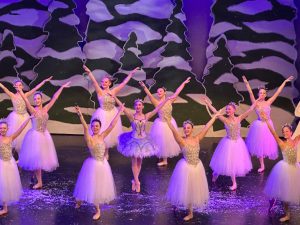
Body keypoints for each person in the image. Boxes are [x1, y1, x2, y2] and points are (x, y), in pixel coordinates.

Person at [165, 111, 221, 221]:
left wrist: (214, 117)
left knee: (193, 190)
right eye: (185, 128)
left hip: (197, 167)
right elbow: (173, 131)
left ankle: (190, 212)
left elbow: (206, 127)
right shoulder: (181, 141)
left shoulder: (197, 138)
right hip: (186, 168)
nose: (186, 130)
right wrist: (168, 121)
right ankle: (186, 210)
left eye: (188, 128)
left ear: (192, 129)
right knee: (186, 190)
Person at [73, 104, 124, 220]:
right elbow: (85, 127)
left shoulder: (102, 136)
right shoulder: (89, 138)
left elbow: (112, 125)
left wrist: (119, 111)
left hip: (103, 165)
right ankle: (96, 209)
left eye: (97, 126)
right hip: (93, 165)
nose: (95, 127)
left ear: (100, 127)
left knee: (95, 187)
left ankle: (84, 203)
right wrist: (80, 114)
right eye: (93, 126)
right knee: (89, 186)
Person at [114, 95, 174, 193]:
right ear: (134, 107)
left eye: (140, 105)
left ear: (142, 106)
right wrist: (115, 98)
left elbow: (157, 108)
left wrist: (166, 100)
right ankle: (137, 181)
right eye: (136, 105)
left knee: (139, 161)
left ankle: (135, 180)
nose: (138, 107)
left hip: (143, 141)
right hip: (133, 141)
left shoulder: (146, 116)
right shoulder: (131, 116)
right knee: (134, 161)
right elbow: (123, 108)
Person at [17, 82, 70, 189]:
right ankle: (39, 182)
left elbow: (54, 98)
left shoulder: (45, 109)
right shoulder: (32, 110)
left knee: (38, 160)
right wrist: (20, 91)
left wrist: (62, 87)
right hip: (35, 137)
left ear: (41, 100)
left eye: (38, 98)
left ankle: (34, 176)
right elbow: (26, 100)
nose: (37, 100)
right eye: (35, 99)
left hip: (44, 136)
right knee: (36, 161)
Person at [83, 65, 139, 159]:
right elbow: (94, 82)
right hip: (102, 114)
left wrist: (131, 74)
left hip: (112, 113)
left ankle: (106, 152)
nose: (103, 83)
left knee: (109, 133)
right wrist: (89, 72)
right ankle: (100, 151)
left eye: (106, 82)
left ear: (109, 83)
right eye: (103, 82)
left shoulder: (113, 91)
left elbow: (123, 83)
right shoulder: (100, 92)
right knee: (102, 132)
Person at [243, 75, 294, 172]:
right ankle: (262, 165)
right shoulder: (255, 102)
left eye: (263, 93)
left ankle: (288, 159)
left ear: (265, 95)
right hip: (258, 126)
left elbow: (278, 92)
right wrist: (246, 82)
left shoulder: (269, 102)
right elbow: (250, 92)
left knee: (267, 144)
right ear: (258, 94)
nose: (262, 94)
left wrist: (285, 81)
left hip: (267, 125)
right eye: (260, 93)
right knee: (259, 146)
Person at [205, 100, 256, 190]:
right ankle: (216, 174)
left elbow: (250, 110)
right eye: (227, 109)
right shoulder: (225, 120)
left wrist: (255, 103)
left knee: (232, 163)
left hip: (238, 143)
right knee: (223, 162)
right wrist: (208, 104)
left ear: (234, 110)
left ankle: (233, 183)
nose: (227, 111)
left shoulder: (239, 118)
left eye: (229, 109)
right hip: (228, 144)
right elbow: (215, 112)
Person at [139, 77, 191, 166]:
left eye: (160, 91)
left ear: (164, 93)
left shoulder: (170, 100)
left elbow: (177, 91)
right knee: (161, 141)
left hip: (169, 123)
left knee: (168, 141)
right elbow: (150, 95)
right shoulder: (156, 102)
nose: (159, 93)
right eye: (158, 92)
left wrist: (184, 83)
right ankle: (163, 158)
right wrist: (144, 87)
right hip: (161, 124)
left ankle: (165, 160)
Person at [262, 113, 300, 222]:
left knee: (287, 193)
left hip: (294, 168)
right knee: (279, 192)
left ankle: (287, 214)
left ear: (291, 132)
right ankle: (274, 205)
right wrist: (266, 121)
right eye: (284, 132)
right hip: (284, 169)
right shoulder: (281, 143)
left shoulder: (296, 140)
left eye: (287, 131)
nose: (285, 133)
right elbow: (273, 133)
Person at [0, 77, 52, 153]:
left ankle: (23, 154)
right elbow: (4, 88)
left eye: (20, 85)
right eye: (16, 85)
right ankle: (12, 153)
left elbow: (35, 88)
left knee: (24, 137)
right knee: (14, 137)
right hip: (15, 117)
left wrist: (43, 81)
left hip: (25, 117)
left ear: (22, 86)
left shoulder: (26, 94)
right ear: (14, 86)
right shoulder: (12, 95)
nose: (18, 86)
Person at [0, 117, 31, 216]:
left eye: (4, 128)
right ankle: (4, 206)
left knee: (6, 184)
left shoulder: (10, 137)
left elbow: (21, 128)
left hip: (9, 164)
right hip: (1, 163)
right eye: (1, 128)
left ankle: (5, 208)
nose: (2, 130)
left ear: (7, 129)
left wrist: (28, 119)